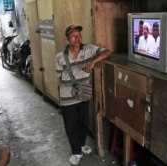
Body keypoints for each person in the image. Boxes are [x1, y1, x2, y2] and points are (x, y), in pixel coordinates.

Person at [55, 25, 112, 165]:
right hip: (67, 96)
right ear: (67, 39)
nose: (77, 38)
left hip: (83, 94)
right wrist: (61, 97)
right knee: (70, 125)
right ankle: (75, 152)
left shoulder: (89, 49)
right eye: (73, 36)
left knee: (84, 123)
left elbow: (108, 52)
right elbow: (59, 77)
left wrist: (93, 62)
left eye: (79, 35)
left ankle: (80, 145)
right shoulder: (60, 57)